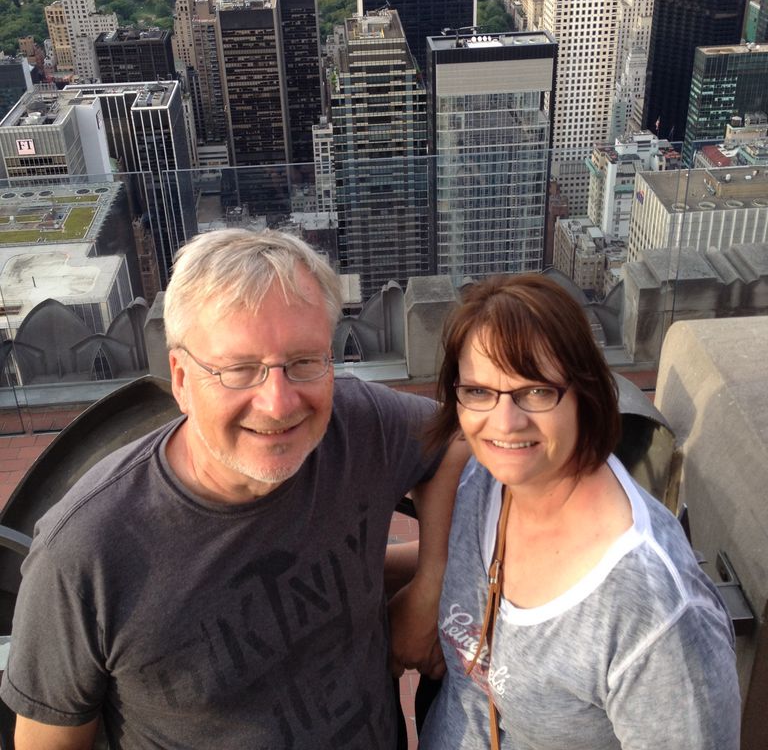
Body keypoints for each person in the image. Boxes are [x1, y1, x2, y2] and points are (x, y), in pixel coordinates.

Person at [1, 228, 465, 750]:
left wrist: (430, 589)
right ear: (180, 378)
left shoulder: (357, 428)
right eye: (239, 370)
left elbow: (455, 440)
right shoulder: (84, 552)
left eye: (304, 362)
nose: (278, 403)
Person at [419, 273, 740, 750]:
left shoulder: (654, 615)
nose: (505, 422)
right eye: (479, 392)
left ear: (585, 394)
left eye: (536, 391)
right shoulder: (488, 482)